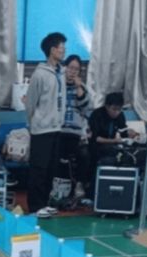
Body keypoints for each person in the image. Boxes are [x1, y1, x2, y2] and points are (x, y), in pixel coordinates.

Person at [25, 32, 66, 218]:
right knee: (39, 169)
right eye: (61, 48)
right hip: (41, 129)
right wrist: (33, 123)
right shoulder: (39, 74)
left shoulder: (61, 72)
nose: (63, 51)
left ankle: (44, 203)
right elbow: (31, 103)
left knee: (51, 169)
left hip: (57, 127)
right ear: (52, 50)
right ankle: (35, 206)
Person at [58, 54, 91, 202]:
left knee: (84, 154)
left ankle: (79, 184)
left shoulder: (82, 88)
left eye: (76, 69)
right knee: (57, 156)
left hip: (75, 133)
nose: (73, 72)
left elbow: (85, 107)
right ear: (64, 68)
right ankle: (57, 189)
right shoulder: (58, 85)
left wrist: (78, 87)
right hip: (58, 130)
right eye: (70, 68)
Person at [88, 92, 139, 169]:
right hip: (96, 146)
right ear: (107, 106)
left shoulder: (120, 115)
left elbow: (123, 131)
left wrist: (130, 133)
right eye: (114, 109)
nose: (117, 112)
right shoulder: (97, 114)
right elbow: (94, 138)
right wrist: (114, 141)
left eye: (119, 109)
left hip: (112, 144)